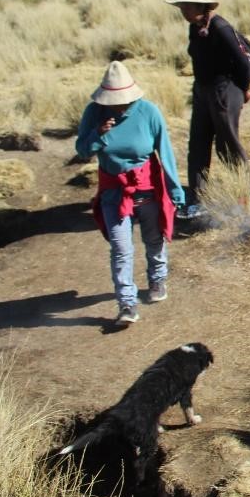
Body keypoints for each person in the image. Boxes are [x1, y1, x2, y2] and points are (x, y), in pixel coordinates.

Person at [76, 61, 185, 326]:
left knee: (153, 238)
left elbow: (165, 153)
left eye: (123, 100)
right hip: (114, 192)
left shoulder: (149, 112)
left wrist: (175, 191)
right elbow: (82, 150)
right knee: (120, 248)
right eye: (114, 101)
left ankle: (157, 279)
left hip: (147, 187)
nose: (119, 106)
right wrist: (98, 135)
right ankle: (127, 303)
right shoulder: (94, 113)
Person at [166, 0, 250, 217]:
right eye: (181, 6)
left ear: (199, 6)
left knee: (228, 145)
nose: (183, 10)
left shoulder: (220, 27)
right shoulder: (195, 27)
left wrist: (243, 90)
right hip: (203, 91)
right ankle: (197, 199)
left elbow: (243, 63)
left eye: (186, 6)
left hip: (224, 91)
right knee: (197, 144)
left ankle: (244, 194)